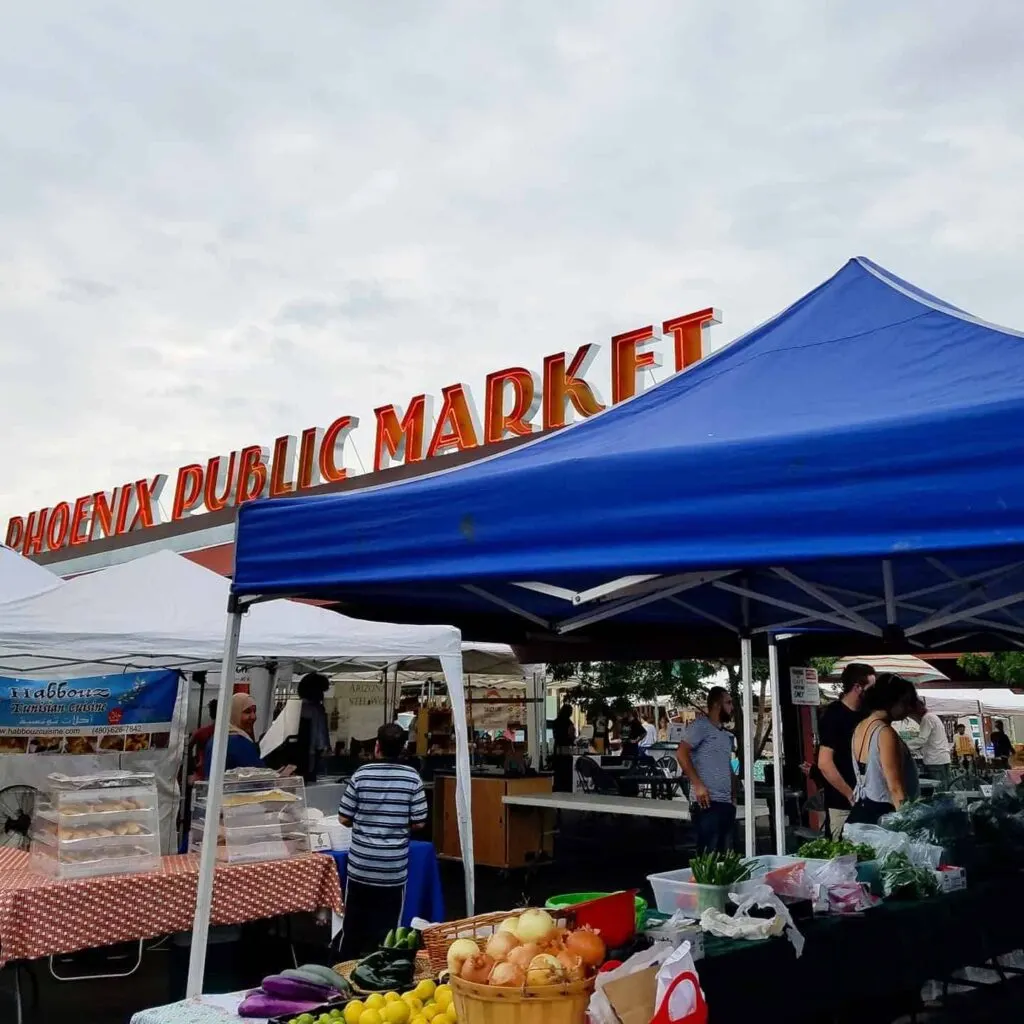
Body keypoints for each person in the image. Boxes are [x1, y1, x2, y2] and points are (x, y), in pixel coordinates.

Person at [337, 723, 428, 958]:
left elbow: (344, 818)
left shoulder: (361, 774)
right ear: (403, 748)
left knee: (353, 928)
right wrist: (396, 822)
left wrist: (366, 821)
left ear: (377, 746)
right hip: (392, 870)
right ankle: (382, 972)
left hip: (361, 867)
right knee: (387, 931)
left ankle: (345, 969)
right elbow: (419, 822)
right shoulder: (412, 778)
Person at [847, 674, 920, 826]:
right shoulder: (885, 733)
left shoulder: (860, 726)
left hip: (863, 809)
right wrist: (909, 824)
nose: (908, 709)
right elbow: (895, 787)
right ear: (891, 701)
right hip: (884, 815)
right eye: (905, 703)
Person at [816, 662, 875, 840]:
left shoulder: (867, 714)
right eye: (871, 687)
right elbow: (824, 763)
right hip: (841, 804)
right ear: (857, 687)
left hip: (868, 801)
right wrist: (850, 794)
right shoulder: (834, 715)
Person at [677, 687, 736, 852]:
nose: (732, 707)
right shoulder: (700, 726)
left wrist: (733, 796)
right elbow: (681, 753)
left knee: (725, 856)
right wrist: (698, 785)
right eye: (728, 702)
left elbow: (727, 764)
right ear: (717, 704)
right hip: (707, 802)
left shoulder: (725, 735)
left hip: (725, 802)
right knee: (708, 857)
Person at [205, 693, 266, 772]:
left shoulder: (216, 739)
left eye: (254, 711)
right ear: (234, 713)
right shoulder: (239, 742)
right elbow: (259, 776)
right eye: (247, 712)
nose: (253, 717)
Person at [906, 696, 951, 789]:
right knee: (946, 788)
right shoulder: (933, 717)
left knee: (939, 790)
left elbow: (921, 739)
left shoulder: (927, 718)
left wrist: (903, 746)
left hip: (935, 760)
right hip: (942, 758)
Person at [295, 671, 332, 783]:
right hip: (309, 755)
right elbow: (319, 736)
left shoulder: (298, 707)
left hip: (301, 754)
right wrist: (325, 747)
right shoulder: (315, 710)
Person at [189, 699, 218, 781]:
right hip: (216, 771)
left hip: (202, 772)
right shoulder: (229, 733)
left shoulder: (200, 732)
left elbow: (187, 748)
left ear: (210, 714)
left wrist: (192, 766)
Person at [551, 704, 576, 792]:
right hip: (566, 749)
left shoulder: (556, 722)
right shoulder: (569, 723)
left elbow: (555, 735)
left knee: (558, 770)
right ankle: (566, 788)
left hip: (557, 747)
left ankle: (558, 787)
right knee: (566, 769)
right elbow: (571, 735)